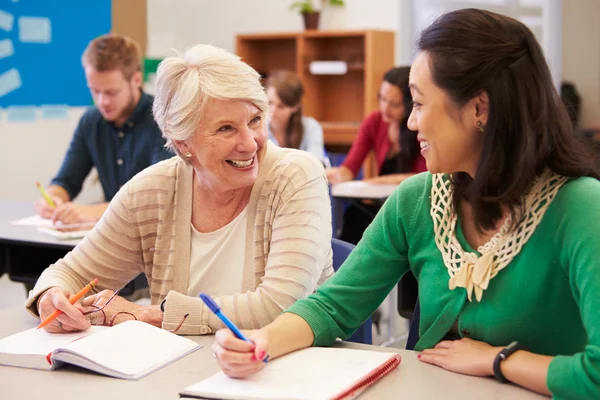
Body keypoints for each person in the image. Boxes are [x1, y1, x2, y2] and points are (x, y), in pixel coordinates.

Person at [212, 9, 600, 398]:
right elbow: (332, 306)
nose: (411, 123)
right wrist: (260, 343)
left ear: (479, 109)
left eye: (418, 103)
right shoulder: (418, 200)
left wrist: (498, 360)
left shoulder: (580, 207)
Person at [25, 44, 334, 336]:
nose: (250, 143)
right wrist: (51, 298)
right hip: (180, 373)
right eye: (226, 128)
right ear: (183, 143)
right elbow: (70, 274)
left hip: (288, 373)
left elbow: (280, 307)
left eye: (255, 120)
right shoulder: (153, 191)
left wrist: (149, 315)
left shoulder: (297, 176)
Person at [34, 33, 171, 225]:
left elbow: (157, 197)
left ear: (137, 80)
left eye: (111, 92)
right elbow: (66, 181)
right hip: (114, 235)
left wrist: (93, 211)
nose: (102, 102)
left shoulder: (162, 119)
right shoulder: (90, 122)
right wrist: (53, 197)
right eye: (95, 91)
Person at [326, 66, 426, 186]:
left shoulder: (421, 127)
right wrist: (336, 174)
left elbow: (423, 176)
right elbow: (350, 168)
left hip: (412, 198)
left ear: (410, 105)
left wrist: (375, 182)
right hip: (380, 198)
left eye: (394, 104)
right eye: (382, 99)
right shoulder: (374, 121)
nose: (385, 108)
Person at [265, 70, 326, 163]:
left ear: (295, 106)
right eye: (270, 103)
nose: (272, 111)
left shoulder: (311, 127)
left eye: (281, 106)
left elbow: (316, 163)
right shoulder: (256, 127)